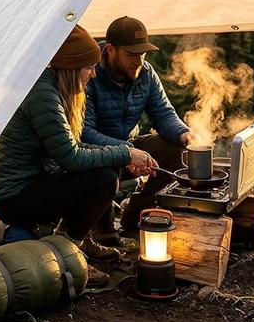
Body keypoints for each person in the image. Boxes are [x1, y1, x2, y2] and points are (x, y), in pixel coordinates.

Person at [0, 24, 158, 286]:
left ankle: (79, 241)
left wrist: (126, 155)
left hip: (34, 184)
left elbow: (72, 146)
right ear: (72, 67)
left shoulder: (53, 89)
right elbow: (71, 157)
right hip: (13, 197)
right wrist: (125, 154)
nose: (92, 74)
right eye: (89, 67)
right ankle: (69, 254)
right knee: (103, 179)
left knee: (108, 170)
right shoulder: (43, 96)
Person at [82, 16, 192, 236]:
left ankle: (135, 217)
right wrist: (126, 153)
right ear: (111, 50)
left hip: (129, 146)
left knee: (174, 150)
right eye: (132, 54)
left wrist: (184, 134)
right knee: (106, 167)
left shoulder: (146, 73)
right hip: (91, 155)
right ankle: (100, 230)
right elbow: (84, 132)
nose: (139, 60)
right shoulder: (89, 74)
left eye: (142, 53)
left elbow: (162, 112)